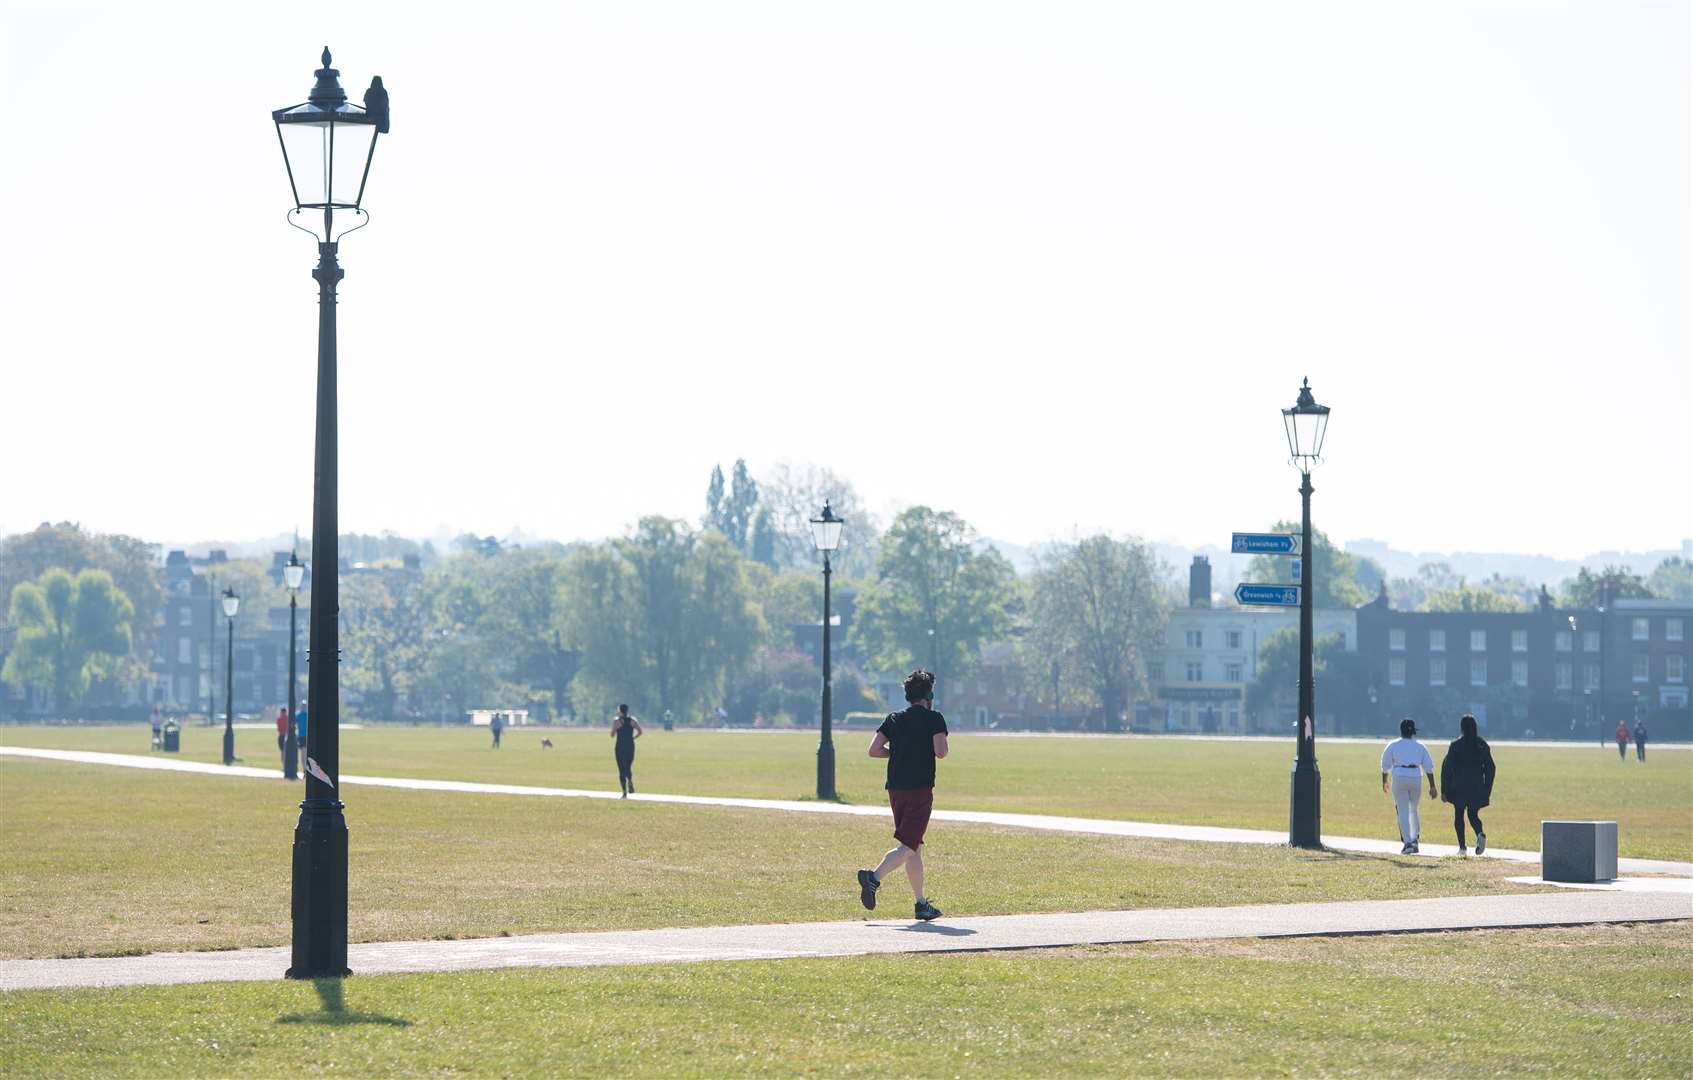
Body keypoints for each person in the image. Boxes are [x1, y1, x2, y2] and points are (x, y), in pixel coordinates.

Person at [857, 669, 949, 922]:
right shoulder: (934, 719)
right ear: (929, 694)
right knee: (908, 845)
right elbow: (941, 752)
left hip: (896, 788)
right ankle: (872, 878)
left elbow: (874, 750)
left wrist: (896, 754)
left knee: (914, 846)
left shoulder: (893, 718)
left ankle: (921, 903)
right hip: (919, 789)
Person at [1440, 714, 1496, 855]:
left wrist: (1444, 790)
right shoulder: (1481, 744)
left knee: (1459, 815)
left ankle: (1462, 847)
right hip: (1477, 786)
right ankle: (1479, 833)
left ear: (1462, 728)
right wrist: (1487, 788)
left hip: (1458, 786)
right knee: (1473, 814)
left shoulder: (1456, 745)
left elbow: (1447, 768)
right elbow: (1491, 768)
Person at [1381, 718, 1437, 854]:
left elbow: (1385, 765)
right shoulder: (1420, 746)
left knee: (1402, 810)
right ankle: (1414, 840)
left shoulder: (1393, 745)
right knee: (1413, 809)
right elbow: (1428, 767)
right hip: (1415, 776)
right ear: (1413, 732)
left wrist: (1384, 781)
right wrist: (1432, 786)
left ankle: (1407, 843)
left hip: (1399, 776)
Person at [611, 704, 641, 796]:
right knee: (628, 767)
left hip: (620, 746)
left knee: (621, 768)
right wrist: (633, 738)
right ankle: (630, 780)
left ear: (620, 711)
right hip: (630, 746)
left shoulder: (616, 721)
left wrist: (616, 730)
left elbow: (612, 735)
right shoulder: (633, 720)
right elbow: (640, 732)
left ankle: (624, 792)